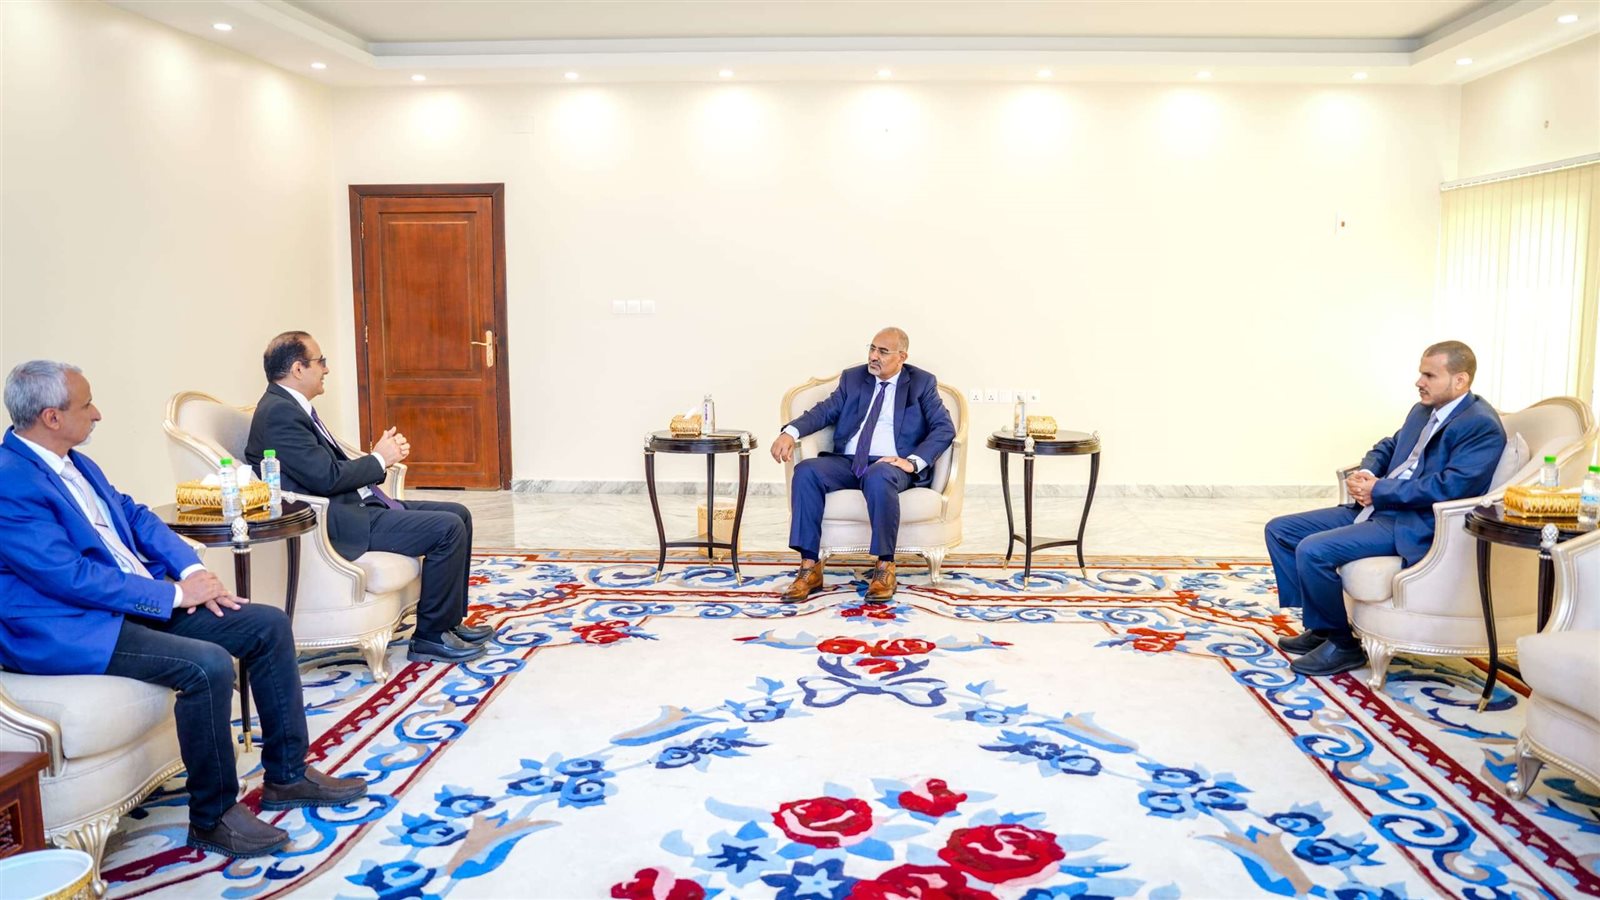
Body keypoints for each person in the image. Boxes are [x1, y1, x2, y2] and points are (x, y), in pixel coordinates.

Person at [0, 360, 367, 858]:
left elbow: (135, 516)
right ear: (52, 417)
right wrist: (173, 596)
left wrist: (190, 571)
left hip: (128, 602)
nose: (98, 413)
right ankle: (213, 818)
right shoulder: (10, 481)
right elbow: (68, 577)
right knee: (206, 664)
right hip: (72, 625)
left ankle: (288, 774)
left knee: (266, 624)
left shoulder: (75, 462)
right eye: (87, 405)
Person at [245, 332, 490, 665]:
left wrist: (377, 461)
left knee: (459, 513)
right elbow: (325, 478)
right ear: (298, 369)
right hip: (340, 521)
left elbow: (327, 470)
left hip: (355, 505)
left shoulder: (291, 407)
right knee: (447, 529)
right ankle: (430, 638)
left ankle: (448, 623)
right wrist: (378, 459)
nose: (326, 369)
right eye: (321, 361)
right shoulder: (279, 413)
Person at [1265, 341, 1507, 677]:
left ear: (1460, 380)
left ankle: (1343, 646)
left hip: (1412, 521)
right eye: (1421, 373)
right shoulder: (1423, 410)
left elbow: (1450, 487)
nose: (1419, 382)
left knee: (1314, 550)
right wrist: (1367, 473)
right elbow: (1388, 446)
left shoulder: (1480, 425)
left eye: (1429, 375)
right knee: (1280, 530)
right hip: (1379, 507)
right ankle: (1322, 627)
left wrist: (1379, 490)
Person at [771, 327, 956, 603]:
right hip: (849, 462)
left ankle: (885, 567)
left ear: (902, 357)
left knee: (878, 475)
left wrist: (912, 462)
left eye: (883, 351)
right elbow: (824, 411)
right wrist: (790, 432)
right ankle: (810, 567)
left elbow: (944, 427)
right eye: (872, 348)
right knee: (806, 471)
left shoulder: (921, 383)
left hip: (889, 465)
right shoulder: (854, 378)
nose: (873, 356)